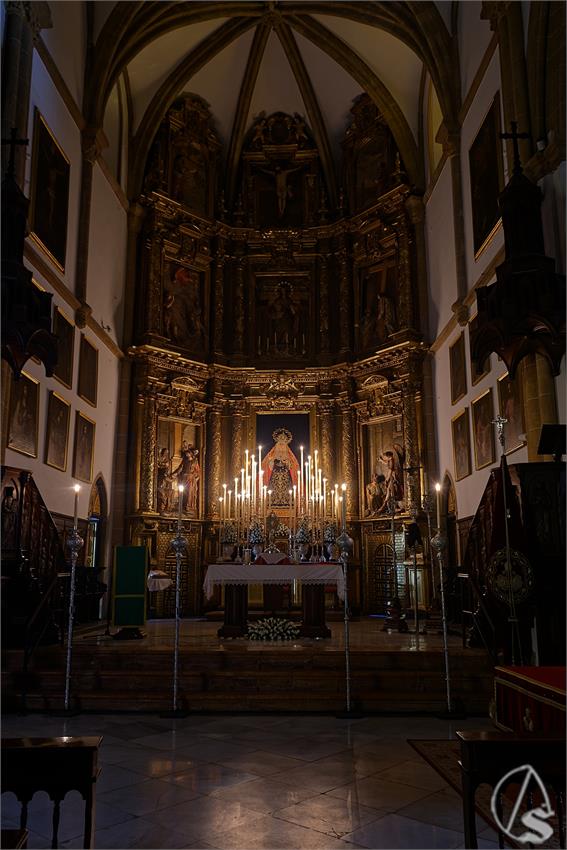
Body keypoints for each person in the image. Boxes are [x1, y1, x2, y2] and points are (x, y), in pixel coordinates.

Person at [261, 428, 300, 507]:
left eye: (283, 446)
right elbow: (267, 466)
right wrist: (271, 462)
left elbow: (294, 467)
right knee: (272, 492)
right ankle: (272, 503)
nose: (281, 448)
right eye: (279, 445)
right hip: (275, 476)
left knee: (288, 492)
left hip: (286, 477)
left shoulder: (290, 457)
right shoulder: (272, 456)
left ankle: (288, 503)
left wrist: (288, 463)